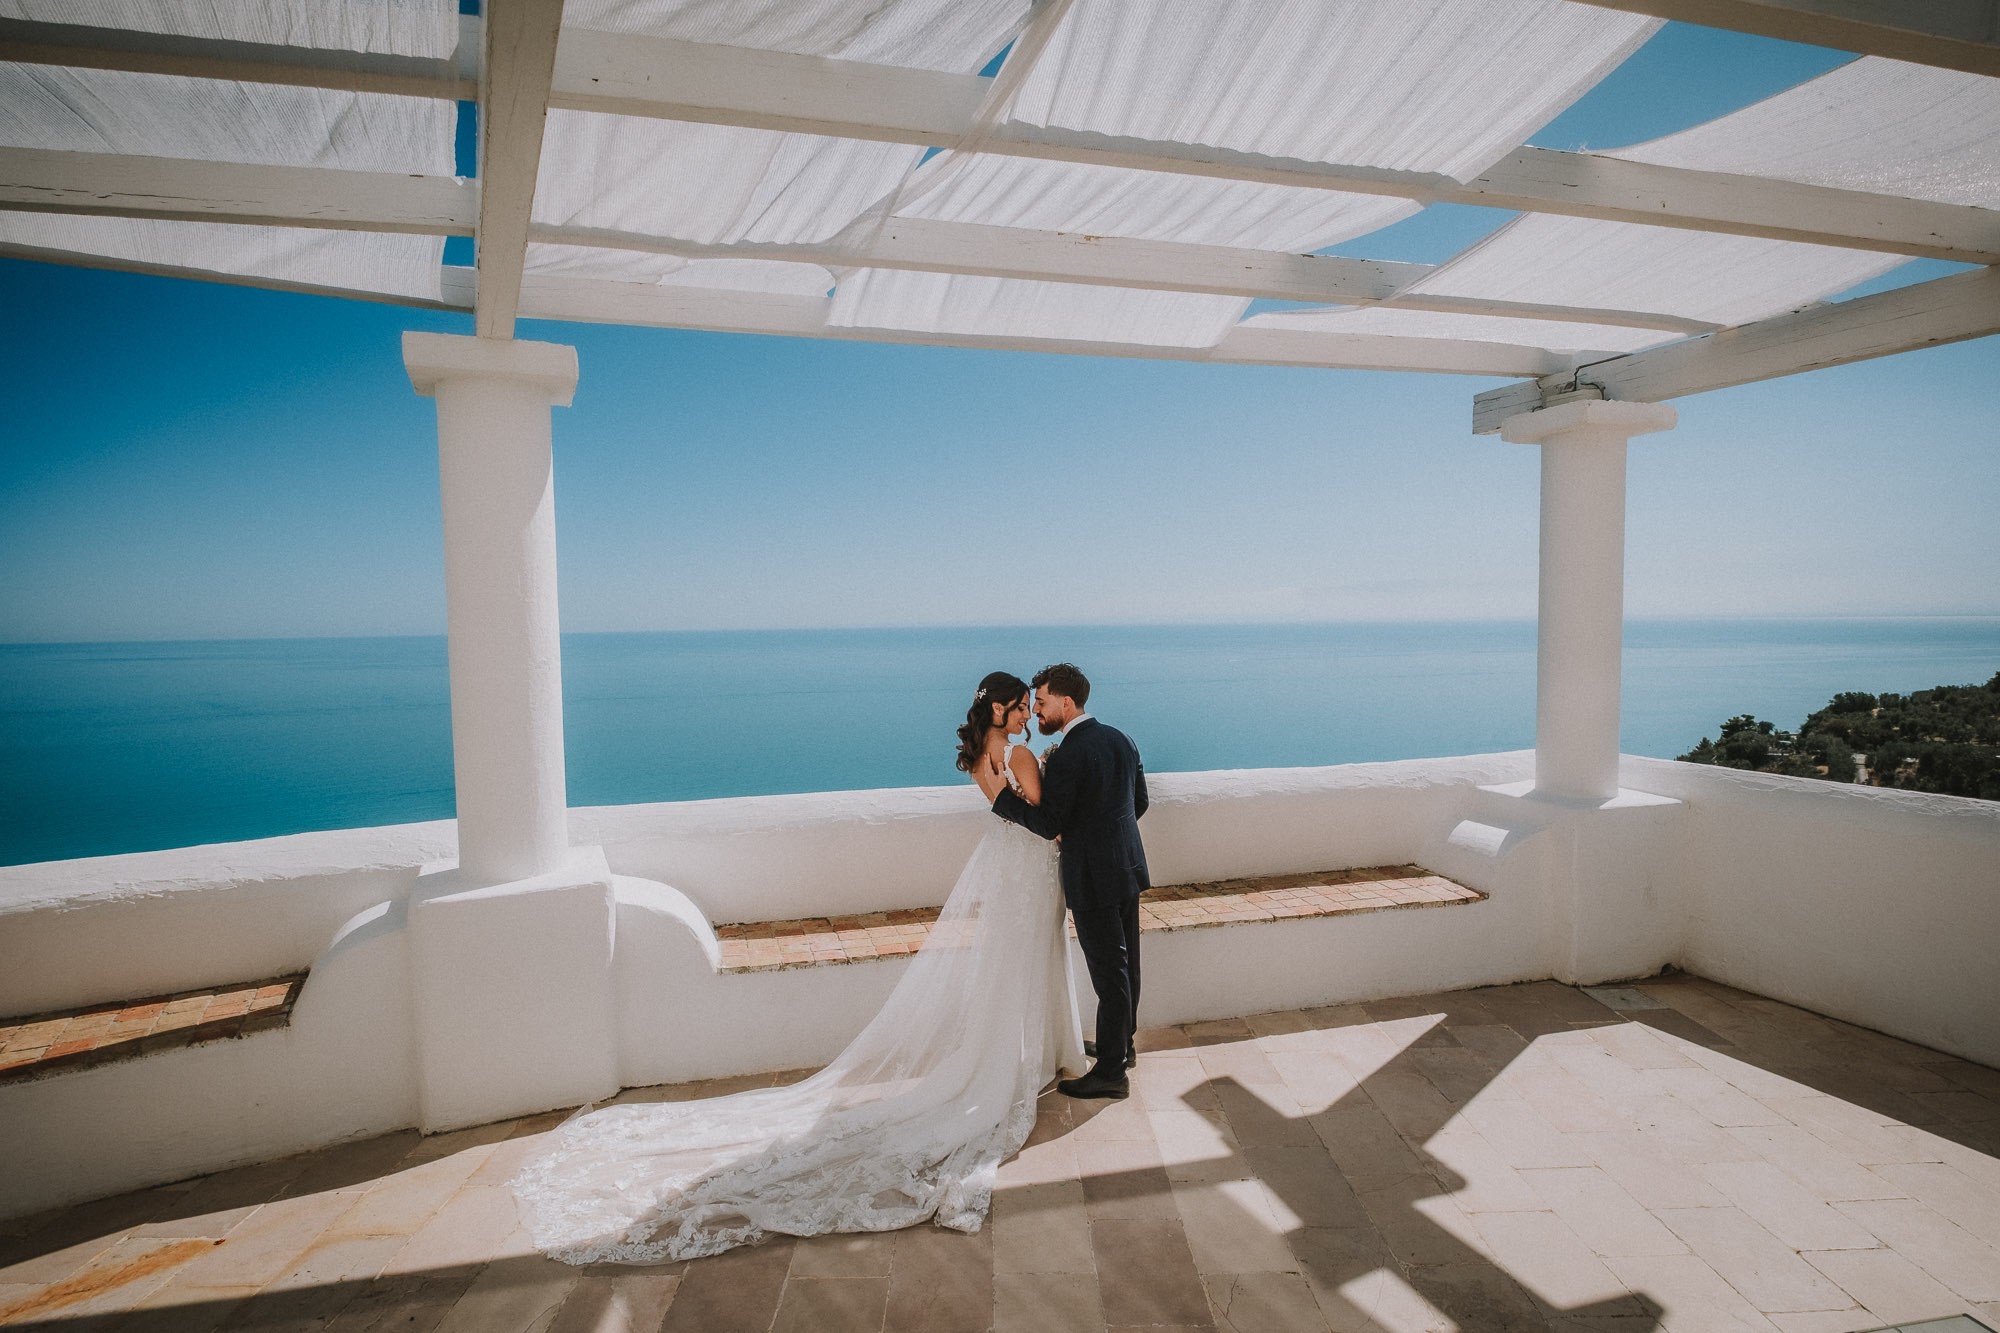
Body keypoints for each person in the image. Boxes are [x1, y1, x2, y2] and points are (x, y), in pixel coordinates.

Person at [511, 672, 1086, 1264]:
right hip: (1028, 870)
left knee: (1008, 968)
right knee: (1026, 962)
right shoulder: (1018, 755)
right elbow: (1046, 818)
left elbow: (1007, 810)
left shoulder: (980, 759)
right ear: (1000, 709)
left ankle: (1019, 1053)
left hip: (1006, 870)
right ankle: (1030, 1057)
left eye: (1030, 707)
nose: (1027, 716)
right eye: (1022, 707)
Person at [990, 663, 1150, 1100]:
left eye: (1041, 703)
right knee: (1127, 965)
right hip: (1127, 867)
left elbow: (1049, 823)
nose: (1037, 713)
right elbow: (1138, 802)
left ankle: (1112, 1074)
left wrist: (1003, 800)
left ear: (1066, 702)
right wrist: (1108, 837)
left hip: (1094, 876)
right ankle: (1123, 1046)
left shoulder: (1069, 754)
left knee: (1109, 973)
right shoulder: (1122, 738)